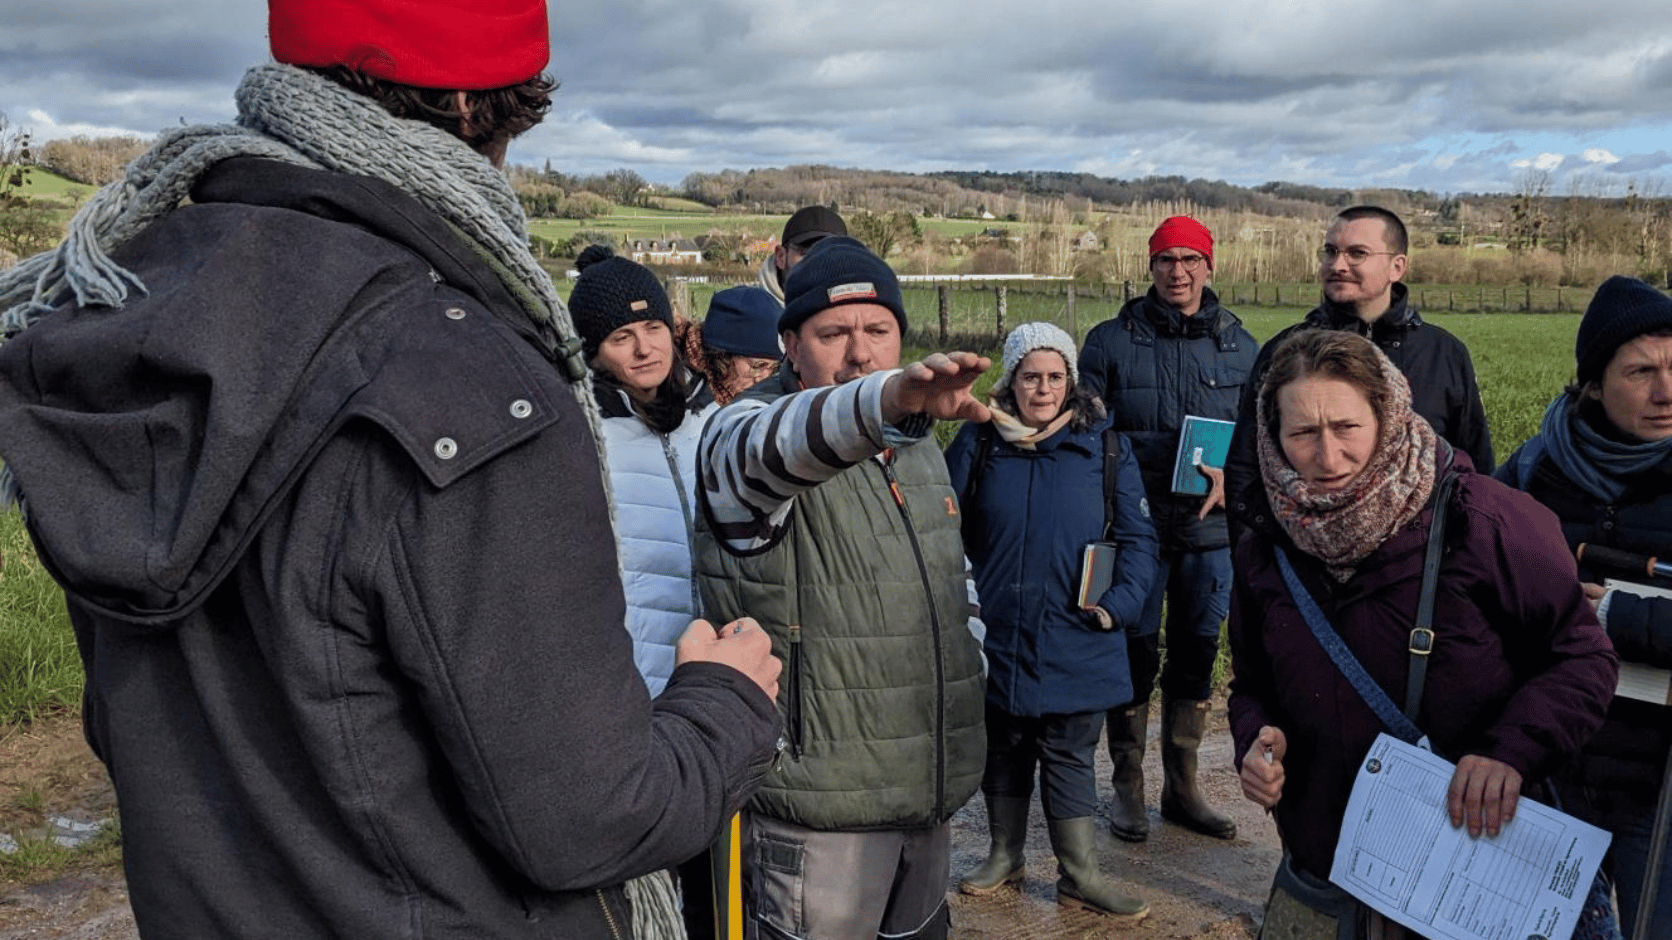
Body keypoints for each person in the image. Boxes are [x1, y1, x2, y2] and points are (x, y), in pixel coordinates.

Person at [0, 3, 783, 938]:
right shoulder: (468, 380)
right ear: (471, 105)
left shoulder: (124, 301)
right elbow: (592, 820)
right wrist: (727, 702)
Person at [1229, 329, 1617, 936]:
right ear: (1271, 437)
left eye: (1347, 428)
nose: (1328, 459)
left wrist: (1509, 752)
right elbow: (1249, 683)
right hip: (1328, 868)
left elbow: (1582, 658)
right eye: (1302, 433)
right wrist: (1254, 741)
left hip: (1469, 871)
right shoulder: (1265, 547)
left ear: (1388, 415)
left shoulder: (1490, 522)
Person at [694, 235, 988, 940]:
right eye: (833, 333)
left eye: (878, 331)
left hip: (925, 793)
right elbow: (775, 447)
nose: (860, 352)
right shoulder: (742, 433)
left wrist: (972, 666)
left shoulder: (917, 446)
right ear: (790, 345)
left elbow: (953, 575)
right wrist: (882, 399)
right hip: (817, 817)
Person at [944, 322, 1158, 920]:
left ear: (1071, 380)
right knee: (1004, 746)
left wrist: (1119, 605)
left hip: (1078, 632)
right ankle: (1004, 854)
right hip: (998, 631)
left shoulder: (1105, 446)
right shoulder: (979, 442)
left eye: (1054, 376)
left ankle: (1079, 874)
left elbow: (1140, 539)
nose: (1043, 389)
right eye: (1031, 376)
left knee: (1069, 752)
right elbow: (941, 527)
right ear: (1011, 381)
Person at [1496, 275, 1672, 939]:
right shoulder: (1535, 469)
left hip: (1659, 789)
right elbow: (1468, 584)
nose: (1667, 392)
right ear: (1593, 383)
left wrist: (1615, 617)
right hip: (1551, 769)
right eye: (1640, 371)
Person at [1077, 215, 1256, 842]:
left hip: (1210, 533)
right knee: (1133, 647)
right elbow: (1086, 433)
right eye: (1164, 260)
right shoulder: (1108, 342)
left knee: (1197, 650)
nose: (1176, 272)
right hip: (1137, 529)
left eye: (1189, 259)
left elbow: (1260, 438)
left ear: (1210, 266)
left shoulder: (1243, 347)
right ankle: (1127, 785)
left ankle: (1183, 786)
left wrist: (1237, 479)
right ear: (1148, 267)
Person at [1226, 206, 1493, 542]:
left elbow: (1475, 471)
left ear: (1397, 266)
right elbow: (1245, 468)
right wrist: (1259, 570)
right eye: (1330, 252)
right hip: (1304, 565)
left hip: (1418, 566)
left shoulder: (1443, 354)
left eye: (1357, 253)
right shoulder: (1284, 353)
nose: (1338, 265)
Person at [691, 285, 783, 406]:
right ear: (722, 356)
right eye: (757, 366)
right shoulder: (677, 394)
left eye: (774, 368)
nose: (763, 380)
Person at [755, 205, 847, 304]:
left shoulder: (857, 313)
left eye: (832, 255)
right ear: (781, 257)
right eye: (807, 254)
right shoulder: (753, 314)